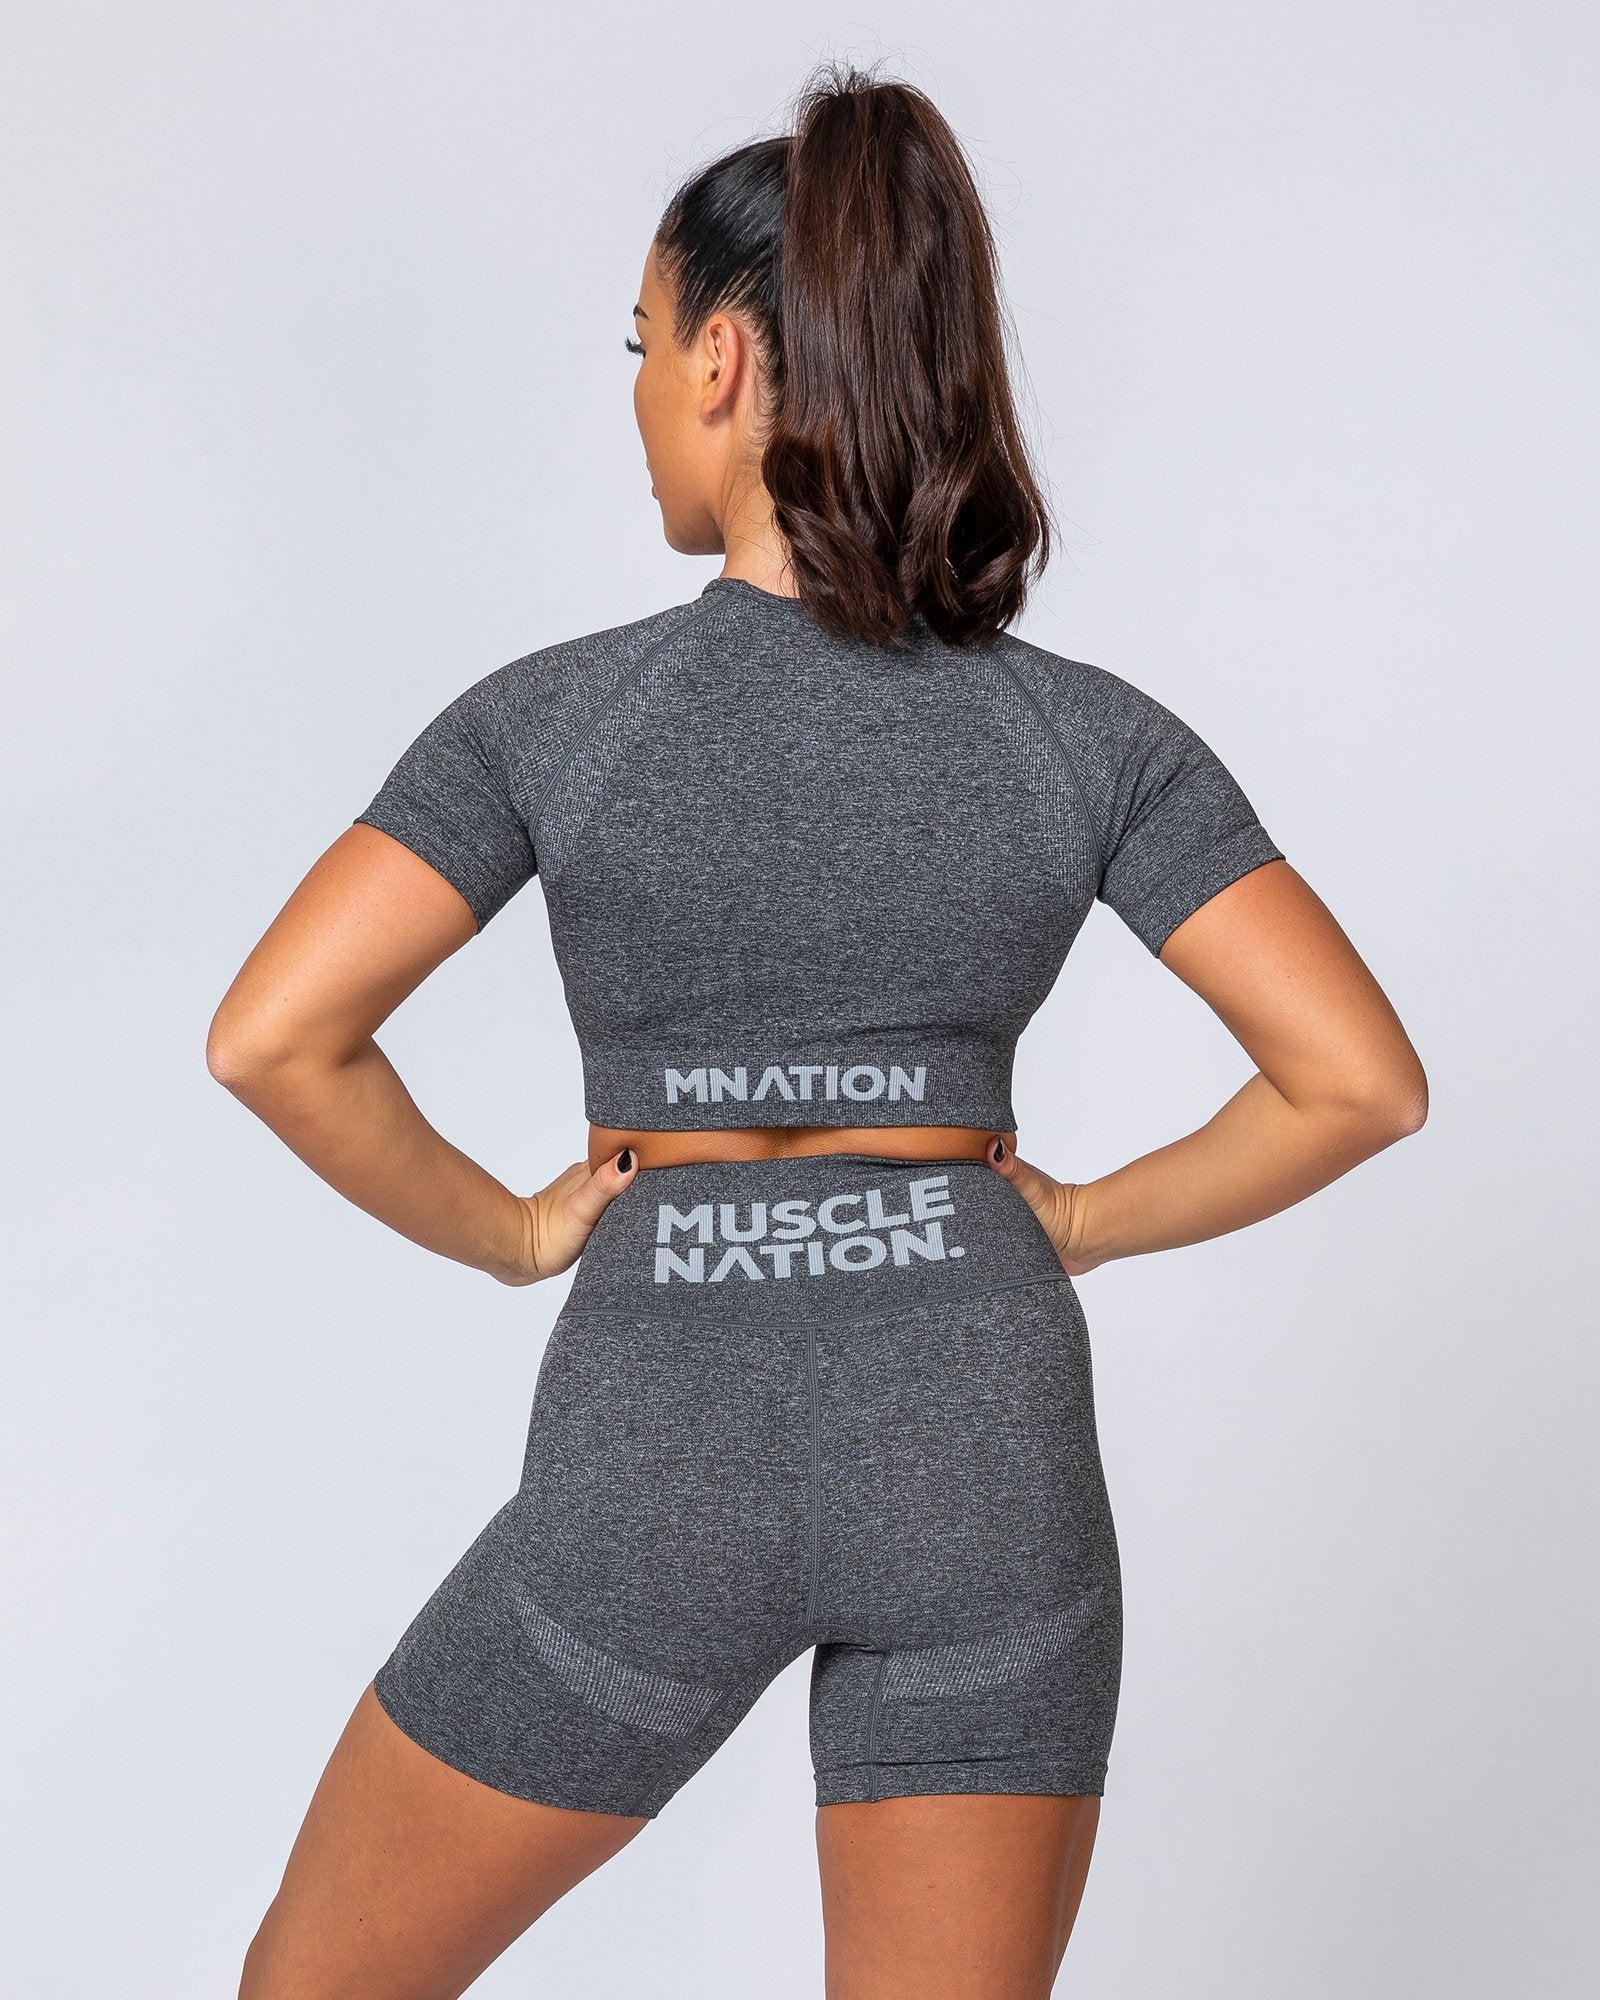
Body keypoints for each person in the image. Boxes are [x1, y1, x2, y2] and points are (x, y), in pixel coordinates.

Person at [208, 63, 1428, 2000]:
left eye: (638, 344)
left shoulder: (557, 719)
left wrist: (512, 1230)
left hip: (664, 1445)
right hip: (978, 1440)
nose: (634, 392)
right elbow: (1356, 1083)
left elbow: (277, 1038)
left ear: (716, 361)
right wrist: (1077, 1216)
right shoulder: (1086, 735)